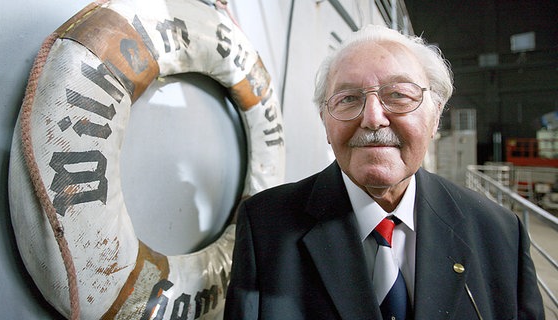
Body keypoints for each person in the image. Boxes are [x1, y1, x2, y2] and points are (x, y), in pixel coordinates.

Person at [224, 24, 544, 320]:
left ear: (435, 118)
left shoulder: (499, 232)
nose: (373, 118)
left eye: (398, 95)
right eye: (348, 98)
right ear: (325, 120)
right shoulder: (265, 226)